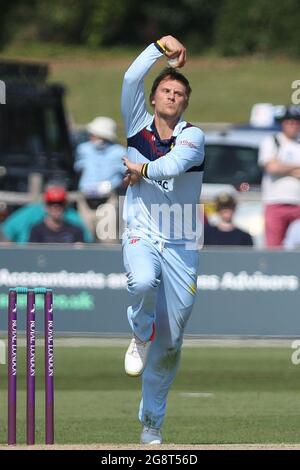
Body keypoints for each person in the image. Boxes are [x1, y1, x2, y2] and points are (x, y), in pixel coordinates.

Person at [121, 36, 205, 444]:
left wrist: (142, 169)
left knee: (170, 343)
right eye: (166, 91)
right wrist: (159, 47)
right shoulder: (136, 124)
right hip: (142, 230)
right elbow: (130, 77)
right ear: (154, 99)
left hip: (183, 242)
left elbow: (175, 163)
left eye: (179, 94)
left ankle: (151, 424)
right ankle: (139, 328)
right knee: (140, 282)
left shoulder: (194, 135)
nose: (172, 96)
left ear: (184, 104)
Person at [74, 116, 127, 240]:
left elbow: (125, 175)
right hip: (86, 199)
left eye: (95, 134)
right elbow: (78, 169)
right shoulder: (83, 149)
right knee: (84, 238)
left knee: (107, 239)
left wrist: (113, 184)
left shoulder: (119, 152)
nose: (91, 136)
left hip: (107, 200)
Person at [258, 105, 300, 247]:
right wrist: (295, 167)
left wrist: (282, 165)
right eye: (288, 121)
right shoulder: (273, 141)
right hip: (275, 201)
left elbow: (277, 166)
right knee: (274, 246)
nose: (292, 125)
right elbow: (271, 167)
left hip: (297, 202)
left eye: (295, 121)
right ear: (282, 123)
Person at [0, 186, 92, 243]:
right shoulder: (36, 230)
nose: (56, 207)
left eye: (60, 203)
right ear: (45, 206)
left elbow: (83, 252)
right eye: (51, 203)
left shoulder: (75, 229)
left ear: (65, 205)